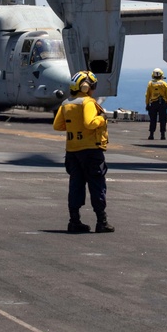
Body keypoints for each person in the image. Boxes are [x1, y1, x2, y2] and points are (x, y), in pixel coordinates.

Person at [53, 70, 114, 234]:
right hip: (91, 151)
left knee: (76, 185)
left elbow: (57, 125)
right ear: (87, 87)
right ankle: (102, 221)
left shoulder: (66, 103)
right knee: (97, 185)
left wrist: (74, 126)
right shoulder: (87, 102)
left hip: (72, 151)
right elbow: (89, 123)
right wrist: (102, 118)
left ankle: (74, 221)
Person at [145, 67, 167, 140]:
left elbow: (147, 95)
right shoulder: (164, 84)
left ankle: (151, 135)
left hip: (153, 103)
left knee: (153, 119)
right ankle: (163, 135)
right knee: (163, 119)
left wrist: (147, 104)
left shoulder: (150, 83)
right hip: (162, 103)